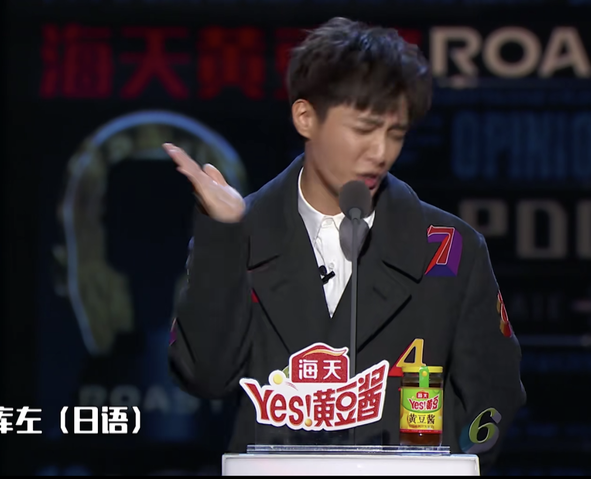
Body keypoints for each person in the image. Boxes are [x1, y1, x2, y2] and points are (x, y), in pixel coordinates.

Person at [164, 17, 526, 474]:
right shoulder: (240, 234)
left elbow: (494, 397)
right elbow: (204, 376)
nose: (380, 152)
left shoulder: (451, 249)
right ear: (306, 117)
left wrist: (449, 463)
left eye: (395, 133)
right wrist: (223, 234)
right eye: (364, 128)